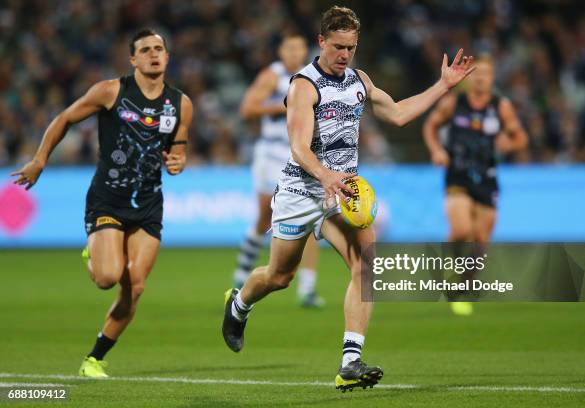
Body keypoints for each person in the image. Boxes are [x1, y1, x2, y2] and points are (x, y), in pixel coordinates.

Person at [222, 6, 475, 391]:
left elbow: (399, 114)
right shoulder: (304, 85)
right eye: (338, 46)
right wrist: (326, 176)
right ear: (321, 41)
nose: (344, 55)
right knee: (279, 276)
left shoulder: (359, 80)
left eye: (351, 48)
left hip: (341, 192)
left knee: (367, 264)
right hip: (301, 190)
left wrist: (443, 86)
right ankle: (239, 304)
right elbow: (298, 147)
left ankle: (350, 361)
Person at [11, 29, 193, 378]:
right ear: (133, 59)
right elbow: (64, 118)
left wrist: (179, 161)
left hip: (149, 203)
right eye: (145, 50)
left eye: (159, 49)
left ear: (167, 57)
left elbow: (179, 149)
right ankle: (94, 253)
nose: (154, 54)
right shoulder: (111, 91)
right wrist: (39, 160)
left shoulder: (181, 104)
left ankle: (94, 358)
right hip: (108, 199)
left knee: (135, 286)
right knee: (108, 278)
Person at [423, 55, 527, 315]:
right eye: (477, 74)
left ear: (492, 78)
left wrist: (510, 144)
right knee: (461, 230)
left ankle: (460, 288)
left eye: (486, 74)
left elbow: (520, 138)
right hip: (457, 175)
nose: (481, 79)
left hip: (487, 179)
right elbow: (430, 126)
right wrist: (436, 150)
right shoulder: (453, 104)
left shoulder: (500, 107)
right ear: (469, 78)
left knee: (481, 241)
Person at [233, 33, 324, 308]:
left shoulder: (314, 78)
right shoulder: (272, 76)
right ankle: (242, 272)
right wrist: (283, 104)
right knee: (265, 218)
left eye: (299, 48)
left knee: (311, 217)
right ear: (281, 52)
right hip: (271, 154)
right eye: (289, 48)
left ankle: (307, 289)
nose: (295, 53)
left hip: (300, 154)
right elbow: (247, 109)